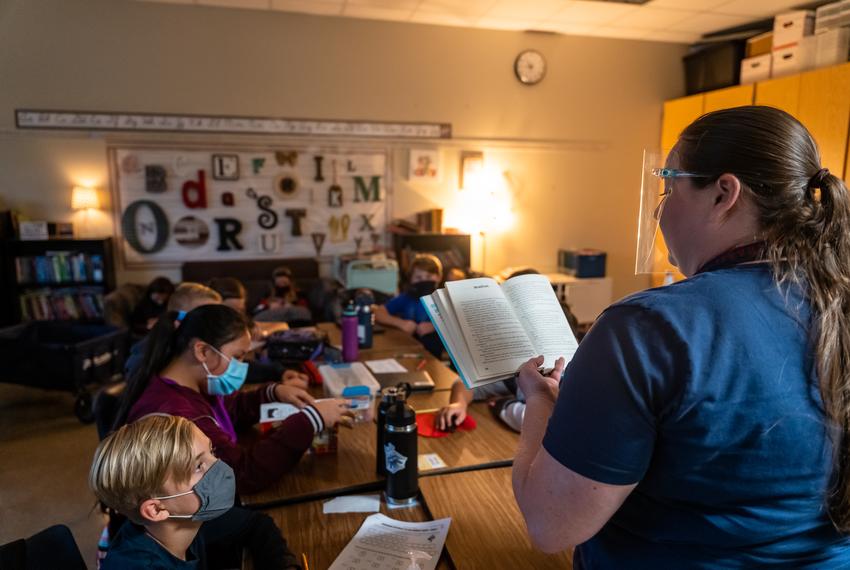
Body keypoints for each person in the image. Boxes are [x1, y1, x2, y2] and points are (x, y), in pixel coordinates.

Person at [512, 106, 850, 567]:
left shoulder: (645, 329)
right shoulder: (837, 305)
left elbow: (549, 525)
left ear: (723, 194)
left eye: (670, 187)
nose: (660, 208)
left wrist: (541, 402)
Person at [114, 304, 352, 494]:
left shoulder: (188, 385)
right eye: (237, 357)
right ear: (203, 352)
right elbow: (241, 474)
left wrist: (273, 392)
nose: (242, 366)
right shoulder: (179, 416)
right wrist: (312, 420)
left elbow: (229, 411)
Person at [90, 414, 300, 569]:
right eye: (198, 466)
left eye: (211, 452)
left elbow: (256, 524)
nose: (219, 465)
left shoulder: (187, 519)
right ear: (156, 509)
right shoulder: (139, 564)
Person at [436, 268, 580, 433]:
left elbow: (545, 420)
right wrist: (458, 403)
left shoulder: (569, 374)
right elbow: (466, 384)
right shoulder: (521, 367)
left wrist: (503, 405)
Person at [125, 282, 304, 387]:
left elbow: (228, 366)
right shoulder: (149, 368)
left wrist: (279, 372)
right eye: (207, 318)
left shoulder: (187, 355)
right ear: (181, 321)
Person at [375, 253, 444, 356]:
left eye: (428, 276)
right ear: (411, 279)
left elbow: (458, 320)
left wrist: (435, 326)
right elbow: (378, 313)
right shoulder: (406, 298)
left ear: (439, 277)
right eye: (418, 277)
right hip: (408, 350)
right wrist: (400, 323)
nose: (424, 281)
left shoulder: (443, 298)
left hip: (434, 354)